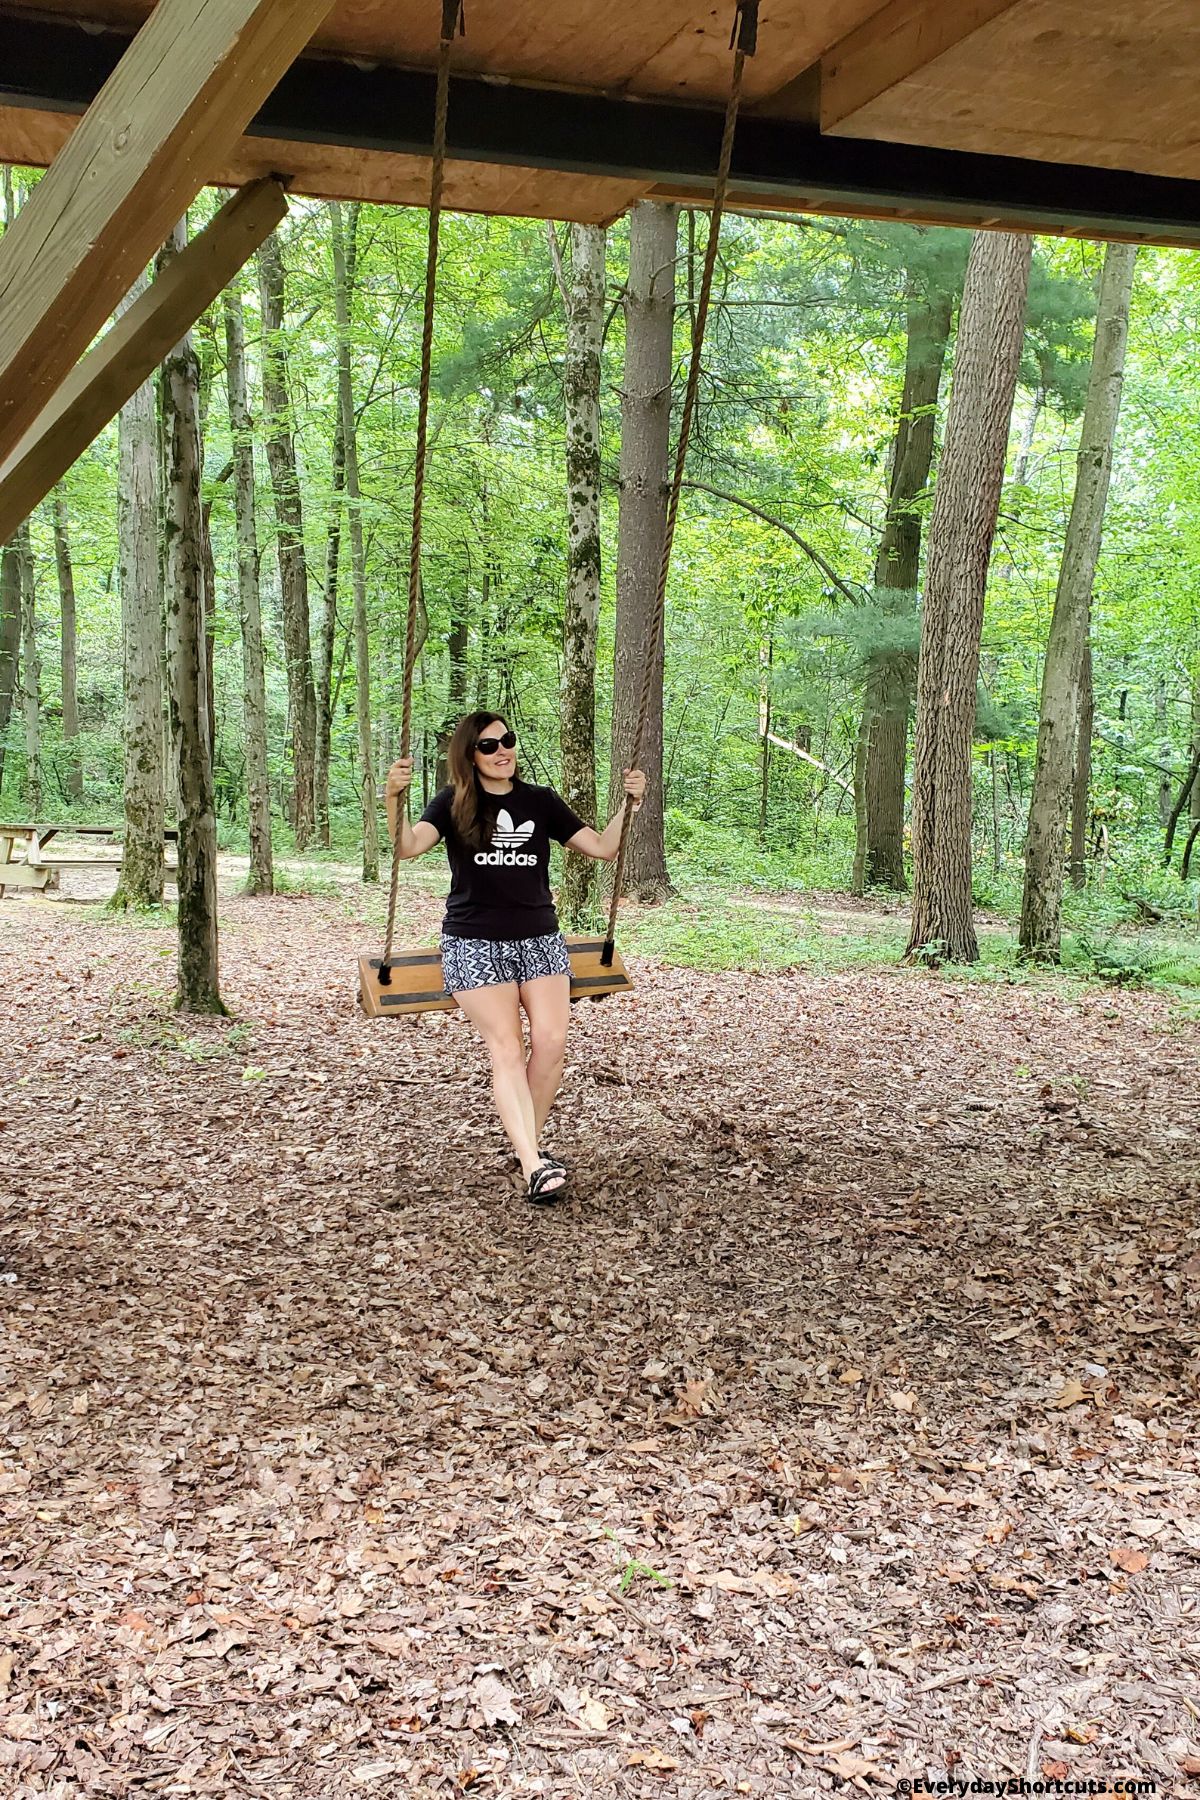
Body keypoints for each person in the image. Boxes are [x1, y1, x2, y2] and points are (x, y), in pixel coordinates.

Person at [385, 712, 647, 1204]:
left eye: (507, 740)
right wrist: (392, 799)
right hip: (473, 942)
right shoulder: (452, 803)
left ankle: (529, 1147)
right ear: (469, 755)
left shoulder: (540, 802)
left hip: (539, 939)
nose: (502, 750)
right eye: (488, 746)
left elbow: (603, 848)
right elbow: (406, 847)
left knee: (550, 1043)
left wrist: (630, 805)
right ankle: (531, 1161)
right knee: (507, 1047)